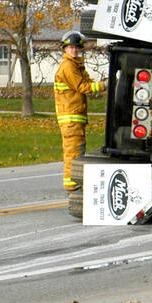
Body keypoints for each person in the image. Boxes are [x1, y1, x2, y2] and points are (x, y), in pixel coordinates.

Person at [54, 31, 106, 192]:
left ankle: (75, 181)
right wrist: (105, 85)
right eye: (70, 47)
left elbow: (87, 82)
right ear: (65, 49)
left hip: (75, 117)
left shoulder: (76, 65)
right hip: (70, 118)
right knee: (73, 152)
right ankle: (71, 185)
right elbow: (83, 87)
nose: (74, 50)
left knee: (78, 149)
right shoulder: (68, 66)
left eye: (76, 47)